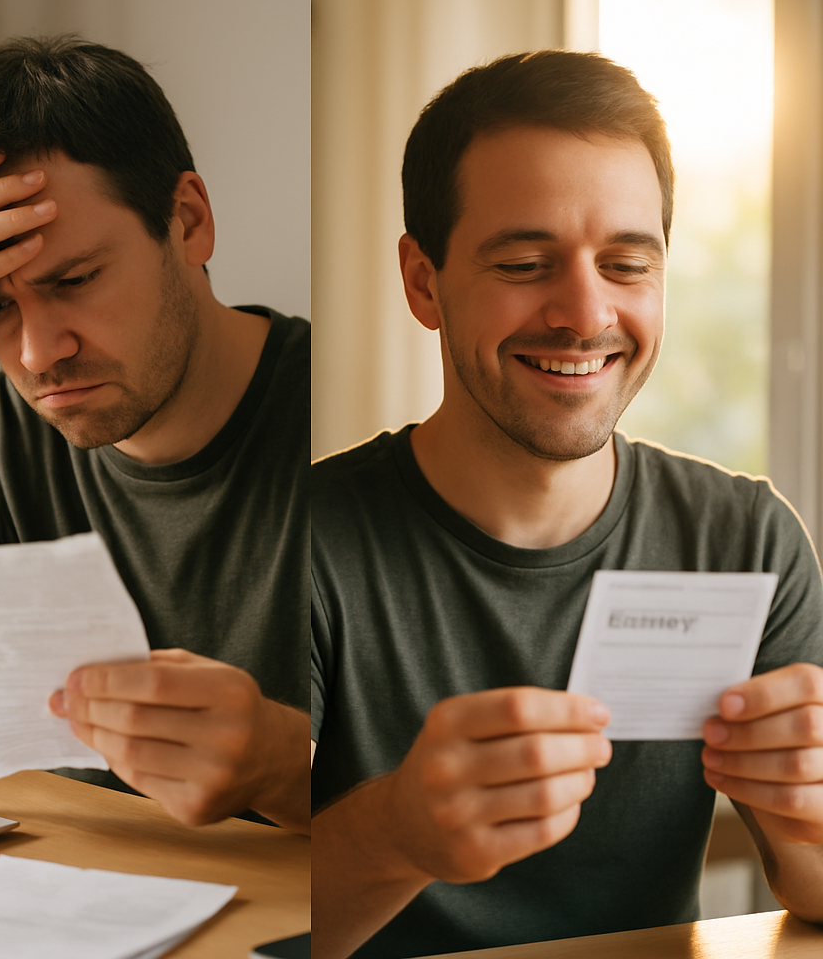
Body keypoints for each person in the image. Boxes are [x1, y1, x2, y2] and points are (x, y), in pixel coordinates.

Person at [311, 50, 823, 956]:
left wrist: (809, 817)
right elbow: (235, 921)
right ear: (424, 282)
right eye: (524, 263)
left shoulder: (745, 540)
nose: (585, 315)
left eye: (626, 264)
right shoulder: (302, 543)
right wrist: (393, 836)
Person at [0, 36, 309, 834]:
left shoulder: (348, 423)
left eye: (73, 281)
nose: (39, 354)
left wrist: (287, 764)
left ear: (188, 222)